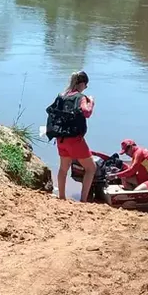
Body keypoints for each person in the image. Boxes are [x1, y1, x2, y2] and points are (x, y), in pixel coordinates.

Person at [46, 71, 96, 202]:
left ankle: (61, 197)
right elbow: (87, 112)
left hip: (60, 138)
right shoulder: (81, 97)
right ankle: (83, 200)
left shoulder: (61, 96)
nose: (86, 88)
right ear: (82, 83)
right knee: (91, 168)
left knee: (63, 168)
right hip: (75, 140)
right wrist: (91, 102)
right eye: (86, 85)